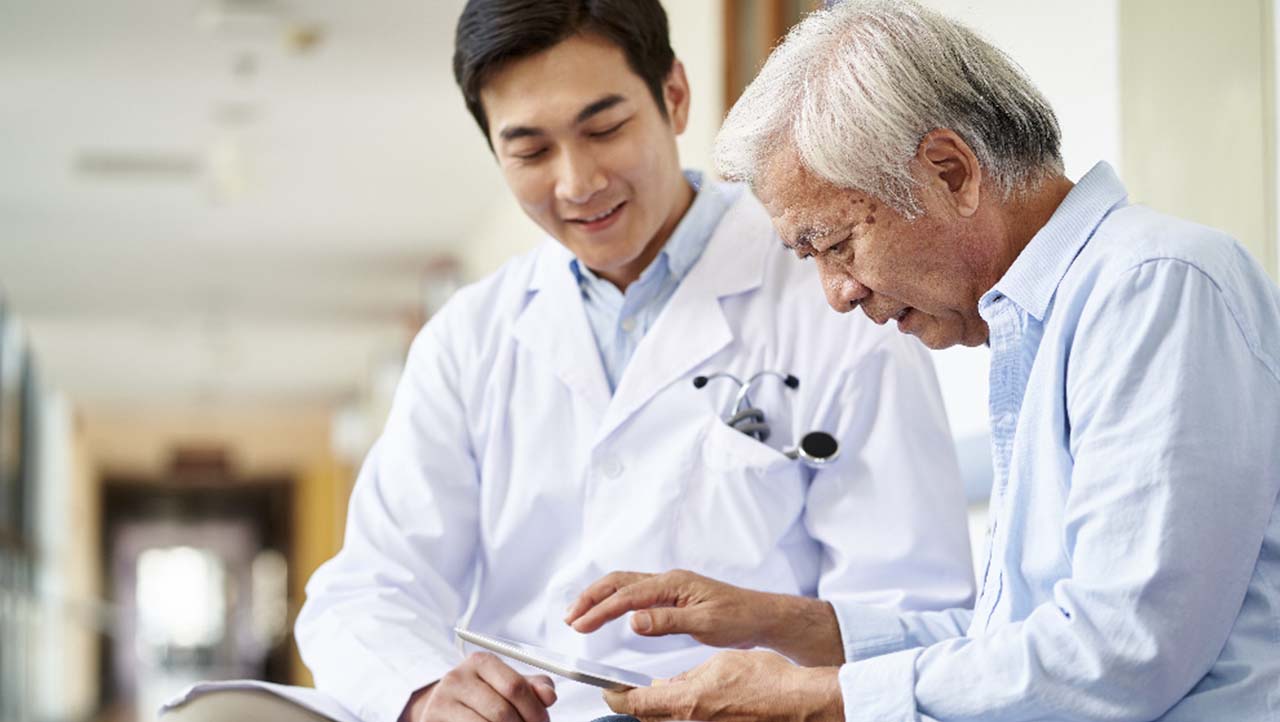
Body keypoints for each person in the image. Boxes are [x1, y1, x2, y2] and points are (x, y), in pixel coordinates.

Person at [577, 1, 1280, 721]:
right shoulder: (1043, 325)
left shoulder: (1155, 285)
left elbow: (1122, 651)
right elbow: (1008, 644)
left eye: (837, 244)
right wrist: (780, 623)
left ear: (950, 172)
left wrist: (817, 701)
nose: (838, 295)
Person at [287, 2, 976, 722]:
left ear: (674, 97)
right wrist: (425, 693)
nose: (577, 182)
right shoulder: (468, 340)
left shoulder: (840, 300)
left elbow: (909, 606)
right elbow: (369, 589)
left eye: (605, 129)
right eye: (530, 151)